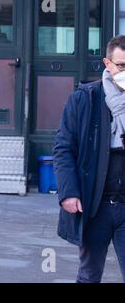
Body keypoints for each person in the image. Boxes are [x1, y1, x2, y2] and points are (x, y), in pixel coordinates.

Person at [54, 35, 125, 283]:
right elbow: (63, 149)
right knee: (89, 275)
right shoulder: (85, 99)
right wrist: (69, 192)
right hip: (96, 205)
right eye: (121, 66)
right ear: (107, 63)